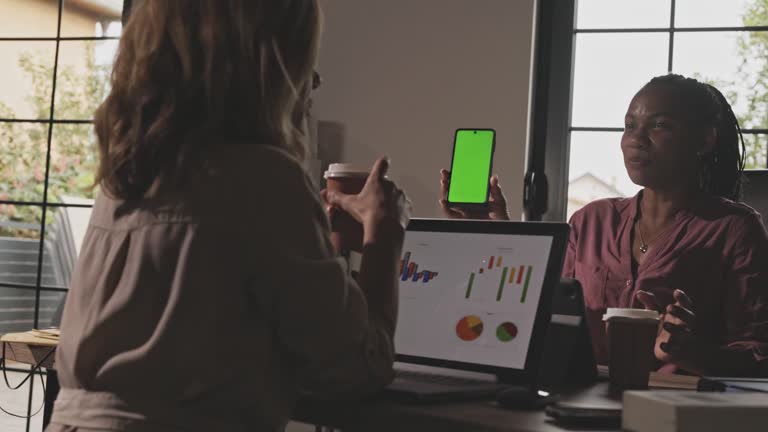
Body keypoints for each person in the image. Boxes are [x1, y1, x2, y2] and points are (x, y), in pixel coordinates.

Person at [49, 1, 410, 431]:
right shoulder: (264, 179)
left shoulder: (128, 179)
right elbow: (357, 366)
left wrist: (321, 244)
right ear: (273, 67)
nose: (309, 89)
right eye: (305, 70)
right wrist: (382, 237)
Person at [439, 74, 768, 377]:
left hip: (675, 410)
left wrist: (689, 352)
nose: (635, 139)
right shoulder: (590, 221)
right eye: (629, 125)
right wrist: (497, 230)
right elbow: (536, 314)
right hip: (577, 400)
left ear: (705, 140)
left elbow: (758, 353)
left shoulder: (735, 230)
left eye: (660, 126)